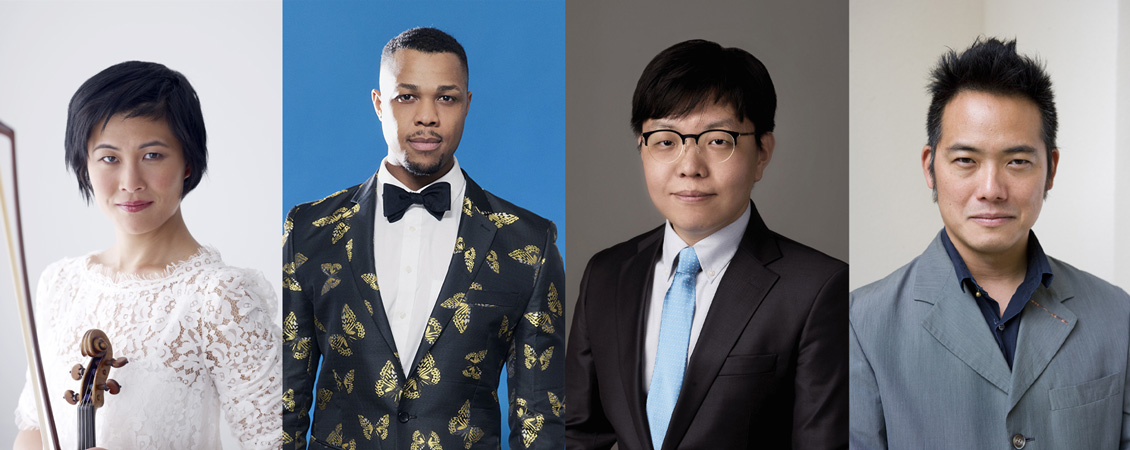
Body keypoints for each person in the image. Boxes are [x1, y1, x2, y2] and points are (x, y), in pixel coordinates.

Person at [281, 27, 565, 449]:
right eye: (407, 96)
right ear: (379, 104)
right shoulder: (309, 230)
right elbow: (281, 407)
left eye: (446, 98)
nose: (427, 116)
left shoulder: (528, 245)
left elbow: (542, 422)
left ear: (467, 105)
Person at [565, 39, 848, 450]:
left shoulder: (816, 289)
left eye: (717, 140)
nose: (689, 167)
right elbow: (577, 434)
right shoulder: (607, 274)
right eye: (665, 140)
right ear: (641, 150)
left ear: (763, 152)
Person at [849, 37, 1130, 449]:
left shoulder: (1117, 313)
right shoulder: (862, 323)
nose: (991, 189)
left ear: (1050, 169)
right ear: (930, 167)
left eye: (1017, 161)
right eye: (966, 160)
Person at [12, 61, 281, 449]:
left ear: (188, 162)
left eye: (152, 155)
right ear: (84, 167)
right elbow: (35, 430)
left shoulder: (220, 297)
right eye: (109, 158)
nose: (130, 183)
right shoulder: (60, 283)